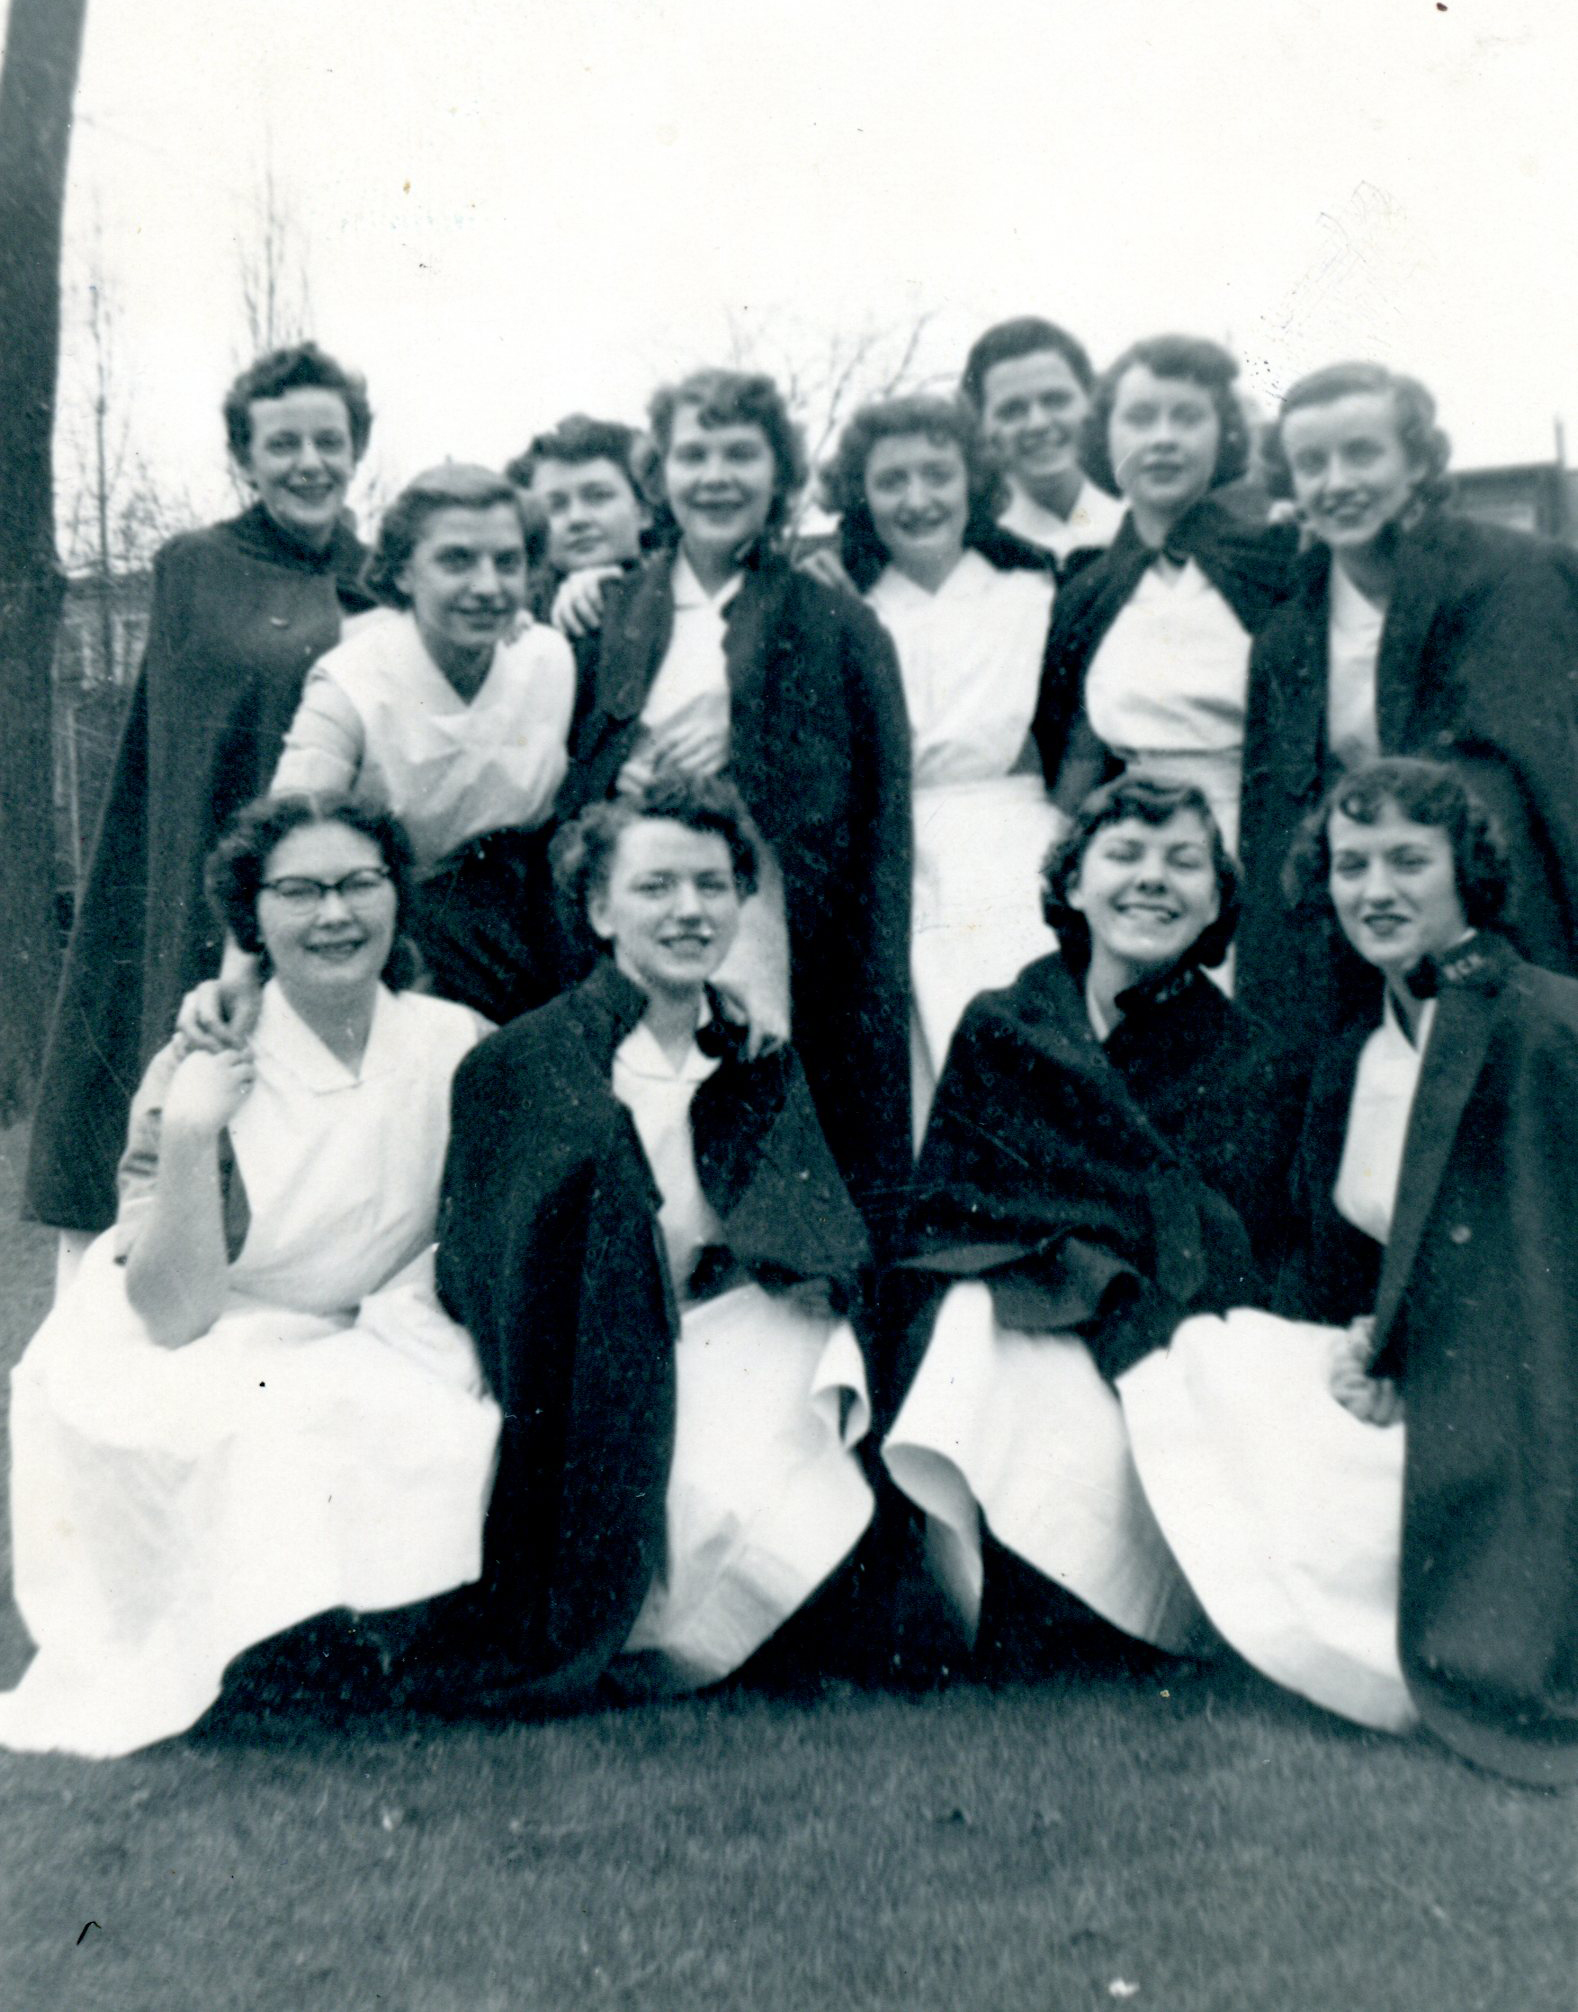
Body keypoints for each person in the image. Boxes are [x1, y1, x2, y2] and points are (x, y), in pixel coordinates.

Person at [0, 797, 501, 1759]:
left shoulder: (453, 1042)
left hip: (367, 1319)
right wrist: (190, 1133)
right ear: (253, 919)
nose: (334, 915)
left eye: (360, 884)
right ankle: (261, 1658)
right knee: (264, 1421)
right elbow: (175, 1312)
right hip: (198, 1329)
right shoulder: (206, 1060)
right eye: (300, 892)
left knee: (421, 1409)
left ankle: (351, 1643)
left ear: (397, 898)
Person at [1122, 759, 1578, 1786]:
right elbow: (1341, 1276)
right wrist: (1370, 1348)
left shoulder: (1547, 1027)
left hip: (1518, 1417)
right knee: (1209, 1353)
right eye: (1352, 863)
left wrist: (1408, 1349)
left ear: (1468, 874)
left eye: (1409, 861)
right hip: (1409, 1395)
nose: (1376, 889)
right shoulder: (1351, 1063)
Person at [433, 774, 875, 1702]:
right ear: (598, 909)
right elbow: (489, 1261)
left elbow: (802, 1215)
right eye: (656, 887)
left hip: (712, 1329)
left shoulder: (751, 1052)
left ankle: (783, 1629)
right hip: (579, 1356)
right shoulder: (525, 1062)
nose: (690, 911)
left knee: (811, 1362)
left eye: (714, 886)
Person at [881, 775, 1303, 1664]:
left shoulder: (1255, 1060)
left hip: (1159, 1343)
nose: (1152, 878)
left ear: (1218, 900)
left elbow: (1241, 1251)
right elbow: (945, 1218)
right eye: (1124, 854)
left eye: (1184, 862)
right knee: (962, 1325)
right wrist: (1064, 1260)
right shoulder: (1001, 1027)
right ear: (1072, 883)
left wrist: (1097, 1269)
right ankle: (969, 1611)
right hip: (1023, 1320)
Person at [26, 344, 380, 1261]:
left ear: (358, 448)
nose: (310, 462)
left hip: (337, 900)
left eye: (329, 441)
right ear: (246, 457)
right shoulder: (194, 568)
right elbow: (178, 769)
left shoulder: (387, 581)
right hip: (209, 887)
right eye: (283, 443)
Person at [554, 367, 913, 1249]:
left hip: (762, 913)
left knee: (751, 1090)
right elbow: (563, 772)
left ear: (778, 473)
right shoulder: (612, 607)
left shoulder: (829, 614)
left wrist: (744, 777)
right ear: (659, 477)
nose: (716, 475)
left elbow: (864, 805)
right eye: (694, 453)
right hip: (635, 903)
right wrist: (621, 798)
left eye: (740, 454)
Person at [1236, 362, 1578, 1051]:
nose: (1336, 483)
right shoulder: (1288, 632)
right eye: (1312, 463)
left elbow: (1527, 778)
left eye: (1362, 453)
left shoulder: (1513, 576)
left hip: (1499, 917)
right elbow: (1273, 823)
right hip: (1351, 932)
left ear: (1417, 460)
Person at [204, 464, 574, 1025]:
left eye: (508, 562)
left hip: (536, 922)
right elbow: (281, 833)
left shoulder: (549, 657)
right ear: (403, 573)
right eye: (456, 560)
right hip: (411, 937)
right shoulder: (353, 680)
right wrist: (239, 970)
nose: (487, 586)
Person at [822, 392, 1059, 1136]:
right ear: (861, 497)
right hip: (898, 848)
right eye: (891, 481)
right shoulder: (844, 606)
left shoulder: (1033, 594)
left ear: (973, 483)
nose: (917, 499)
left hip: (1015, 836)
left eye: (938, 474)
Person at [1034, 335, 1296, 858]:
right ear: (1102, 438)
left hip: (1264, 843)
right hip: (1136, 850)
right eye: (1140, 418)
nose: (1163, 439)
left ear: (1224, 434)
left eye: (1187, 417)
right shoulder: (1088, 590)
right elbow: (1079, 750)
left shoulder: (1277, 561)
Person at [960, 316, 1124, 579]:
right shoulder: (974, 561)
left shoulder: (1142, 532)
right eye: (1012, 410)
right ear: (981, 426)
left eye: (1056, 400)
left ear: (1091, 403)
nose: (1038, 423)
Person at [506, 413, 652, 622]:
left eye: (598, 496)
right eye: (555, 506)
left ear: (644, 511)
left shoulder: (679, 587)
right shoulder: (518, 613)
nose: (577, 519)